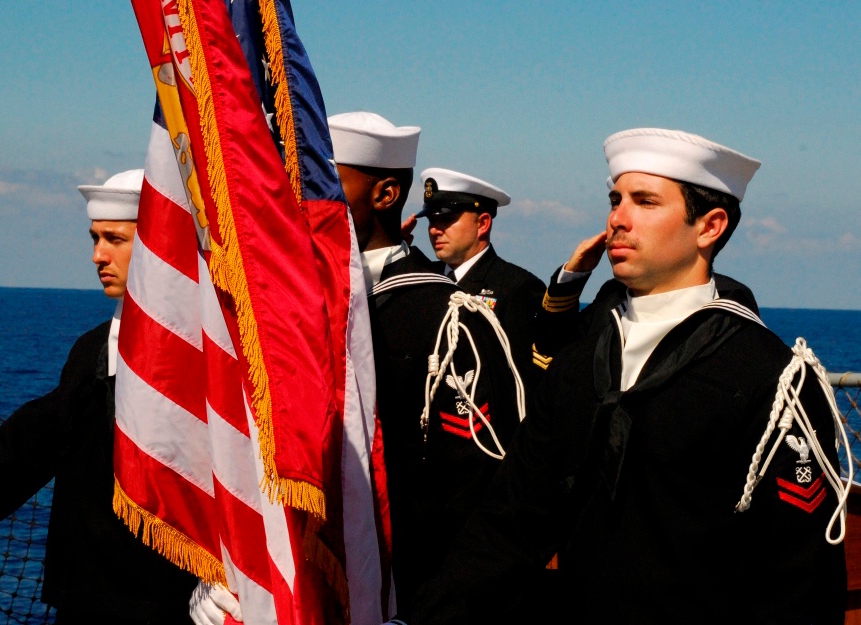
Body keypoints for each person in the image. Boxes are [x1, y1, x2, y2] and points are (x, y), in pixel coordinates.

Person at [407, 128, 848, 624]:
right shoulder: (584, 359)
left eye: (646, 202)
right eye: (616, 199)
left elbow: (799, 582)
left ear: (710, 226)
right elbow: (512, 517)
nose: (618, 218)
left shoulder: (771, 380)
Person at [0, 170, 198, 624]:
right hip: (87, 600)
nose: (98, 255)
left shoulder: (207, 360)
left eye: (115, 239)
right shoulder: (93, 349)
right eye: (95, 238)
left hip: (171, 605)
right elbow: (27, 448)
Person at [328, 112, 526, 621]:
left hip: (408, 593)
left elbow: (478, 496)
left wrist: (427, 611)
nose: (304, 196)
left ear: (385, 195)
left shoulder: (444, 319)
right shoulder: (302, 304)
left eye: (324, 180)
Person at [416, 169, 547, 387]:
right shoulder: (424, 279)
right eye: (431, 220)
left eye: (447, 219)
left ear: (483, 224)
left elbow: (524, 383)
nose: (434, 230)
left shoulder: (517, 288)